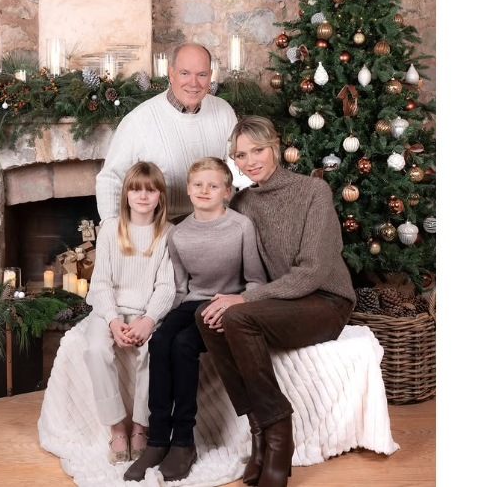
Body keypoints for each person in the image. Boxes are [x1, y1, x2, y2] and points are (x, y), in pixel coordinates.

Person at [196, 116, 356, 487]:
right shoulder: (243, 201)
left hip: (326, 301)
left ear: (276, 146)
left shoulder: (314, 192)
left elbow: (314, 271)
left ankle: (279, 434)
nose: (251, 161)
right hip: (282, 302)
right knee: (208, 315)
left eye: (258, 150)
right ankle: (259, 433)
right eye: (240, 155)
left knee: (237, 317)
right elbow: (218, 238)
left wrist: (247, 297)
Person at [124, 157, 266, 482]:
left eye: (213, 185)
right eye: (198, 185)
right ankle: (158, 439)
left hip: (226, 305)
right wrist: (154, 318)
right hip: (191, 304)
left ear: (227, 191)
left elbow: (256, 280)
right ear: (188, 190)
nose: (204, 190)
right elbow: (178, 288)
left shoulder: (240, 226)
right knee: (161, 341)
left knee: (184, 345)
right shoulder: (179, 234)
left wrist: (236, 304)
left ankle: (184, 442)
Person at [82, 161, 176, 465]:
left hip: (147, 312)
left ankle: (140, 426)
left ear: (160, 195)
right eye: (136, 189)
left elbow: (166, 286)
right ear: (126, 194)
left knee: (155, 350)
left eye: (151, 190)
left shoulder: (168, 233)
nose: (143, 196)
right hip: (108, 310)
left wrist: (149, 320)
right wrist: (111, 320)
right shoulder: (111, 228)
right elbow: (101, 282)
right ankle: (117, 427)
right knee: (96, 348)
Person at [95, 43, 249, 224]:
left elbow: (239, 167)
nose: (194, 83)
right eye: (185, 73)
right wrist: (111, 228)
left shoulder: (224, 111)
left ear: (210, 76)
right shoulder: (138, 120)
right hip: (163, 227)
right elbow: (111, 177)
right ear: (171, 73)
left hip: (216, 220)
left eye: (201, 75)